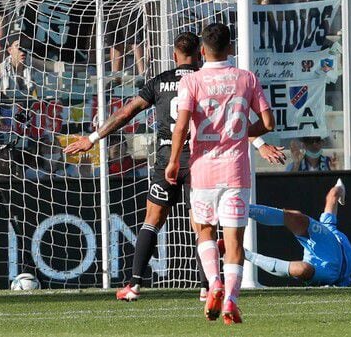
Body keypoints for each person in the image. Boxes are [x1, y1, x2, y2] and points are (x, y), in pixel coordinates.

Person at [66, 32, 284, 300]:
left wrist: (92, 138)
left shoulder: (162, 81)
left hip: (169, 157)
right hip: (202, 159)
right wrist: (260, 144)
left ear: (174, 55)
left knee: (152, 221)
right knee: (204, 226)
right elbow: (227, 122)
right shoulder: (207, 80)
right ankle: (207, 286)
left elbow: (127, 112)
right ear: (200, 52)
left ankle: (134, 285)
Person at [166, 22, 274, 325]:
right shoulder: (246, 79)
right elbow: (268, 122)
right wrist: (240, 135)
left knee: (203, 230)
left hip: (203, 172)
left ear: (202, 51)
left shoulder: (192, 82)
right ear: (231, 48)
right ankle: (230, 300)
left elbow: (182, 125)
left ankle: (213, 283)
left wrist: (174, 160)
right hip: (236, 172)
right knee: (235, 241)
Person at [246, 180, 351, 287]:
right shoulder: (328, 226)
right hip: (327, 251)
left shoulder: (328, 228)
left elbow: (334, 194)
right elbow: (334, 194)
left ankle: (246, 254)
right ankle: (244, 209)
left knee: (303, 270)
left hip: (327, 271)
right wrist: (340, 188)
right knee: (296, 216)